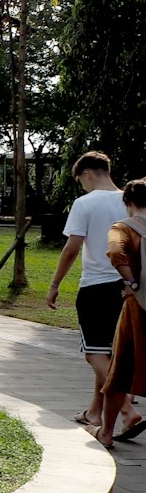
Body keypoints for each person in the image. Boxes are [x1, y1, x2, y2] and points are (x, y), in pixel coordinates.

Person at [47, 151, 128, 432]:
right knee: (107, 351)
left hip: (95, 285)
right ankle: (95, 412)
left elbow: (72, 248)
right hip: (126, 286)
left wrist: (55, 284)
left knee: (93, 354)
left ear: (87, 173)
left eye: (80, 180)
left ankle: (128, 411)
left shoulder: (85, 203)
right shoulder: (130, 201)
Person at [94, 179, 146, 448]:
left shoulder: (123, 228)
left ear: (128, 203)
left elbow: (115, 252)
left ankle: (106, 432)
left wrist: (131, 282)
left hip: (138, 309)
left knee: (120, 371)